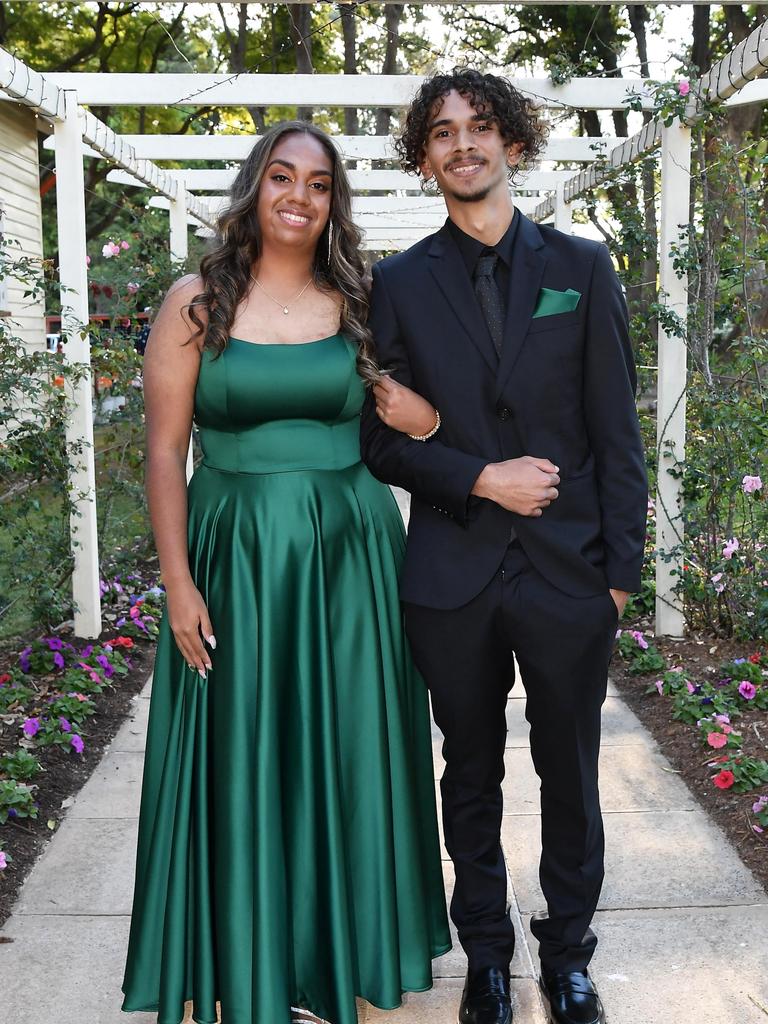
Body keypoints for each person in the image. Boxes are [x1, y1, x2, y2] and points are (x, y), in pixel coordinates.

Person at [121, 121, 452, 1024]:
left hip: (351, 556)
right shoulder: (197, 302)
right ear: (254, 189)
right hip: (237, 554)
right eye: (281, 177)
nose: (299, 196)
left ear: (332, 201)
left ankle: (333, 954)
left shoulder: (358, 301)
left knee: (349, 751)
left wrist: (406, 408)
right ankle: (250, 961)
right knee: (243, 751)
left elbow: (422, 427)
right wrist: (179, 583)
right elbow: (162, 455)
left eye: (316, 182)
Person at [360, 69, 648, 1024]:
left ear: (513, 144)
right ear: (425, 156)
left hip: (569, 578)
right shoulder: (396, 283)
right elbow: (380, 442)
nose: (463, 144)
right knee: (468, 770)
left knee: (569, 771)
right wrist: (477, 474)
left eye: (480, 127)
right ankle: (487, 954)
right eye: (441, 132)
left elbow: (618, 437)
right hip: (450, 575)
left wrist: (618, 579)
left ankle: (567, 954)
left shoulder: (584, 268)